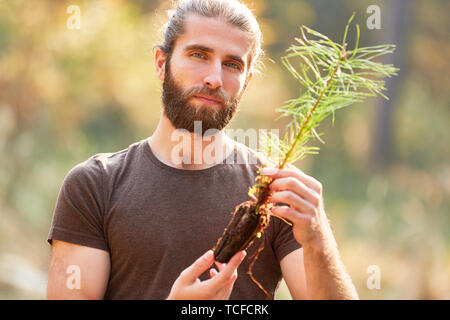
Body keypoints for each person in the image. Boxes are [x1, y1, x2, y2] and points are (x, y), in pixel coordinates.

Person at [47, 0, 358, 300]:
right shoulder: (95, 186)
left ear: (246, 82)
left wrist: (319, 241)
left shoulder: (275, 193)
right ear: (161, 63)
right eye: (198, 55)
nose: (214, 78)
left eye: (232, 64)